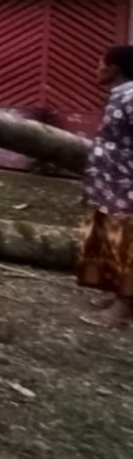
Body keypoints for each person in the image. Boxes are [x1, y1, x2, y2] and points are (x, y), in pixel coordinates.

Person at [78, 45, 133, 326]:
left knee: (125, 241)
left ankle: (124, 309)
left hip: (125, 184)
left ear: (114, 69)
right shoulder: (119, 97)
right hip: (111, 183)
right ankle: (117, 295)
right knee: (112, 239)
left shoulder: (132, 97)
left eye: (99, 65)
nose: (96, 69)